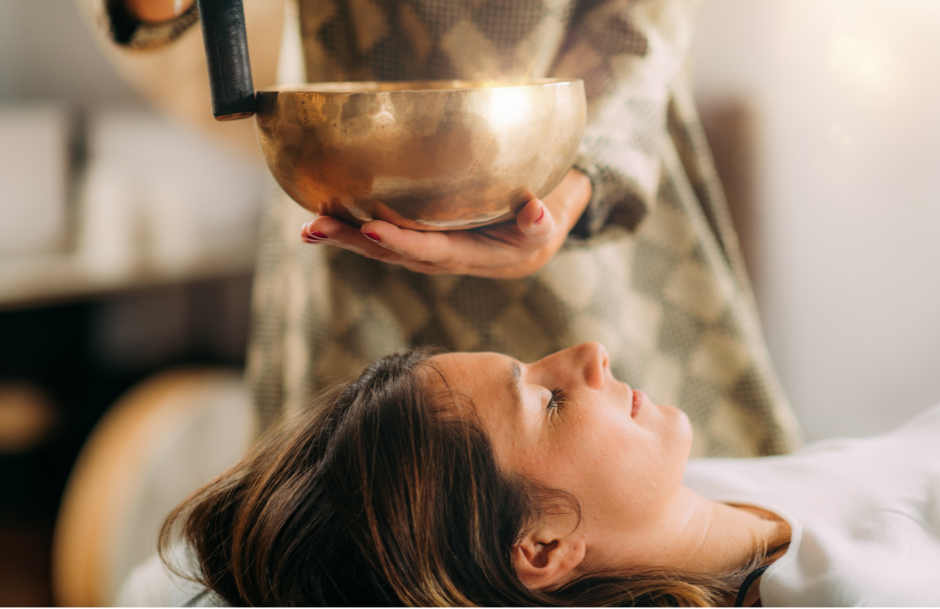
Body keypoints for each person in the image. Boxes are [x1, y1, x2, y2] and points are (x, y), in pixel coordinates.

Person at [91, 0, 801, 456]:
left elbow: (649, 2)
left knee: (645, 527)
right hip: (343, 219)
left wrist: (571, 189)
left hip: (580, 213)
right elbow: (154, 5)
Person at [119, 342, 940, 606]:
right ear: (543, 546)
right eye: (547, 402)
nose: (588, 355)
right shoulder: (870, 586)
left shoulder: (677, 510)